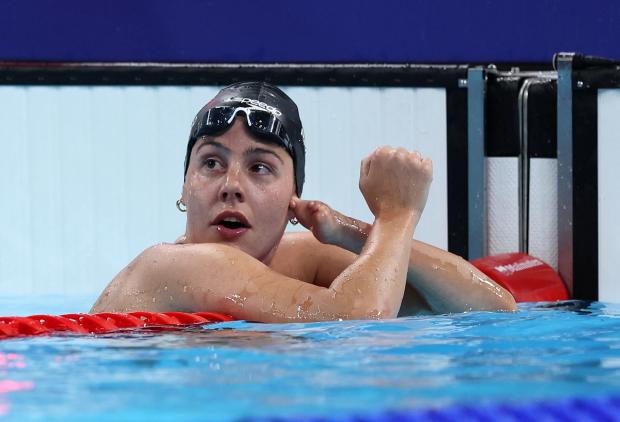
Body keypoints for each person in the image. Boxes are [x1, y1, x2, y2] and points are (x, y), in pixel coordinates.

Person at [91, 82, 516, 322]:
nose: (231, 185)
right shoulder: (175, 264)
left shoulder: (295, 261)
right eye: (212, 163)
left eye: (260, 167)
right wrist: (399, 213)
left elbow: (491, 308)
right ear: (185, 187)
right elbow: (357, 321)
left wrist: (349, 232)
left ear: (293, 198)